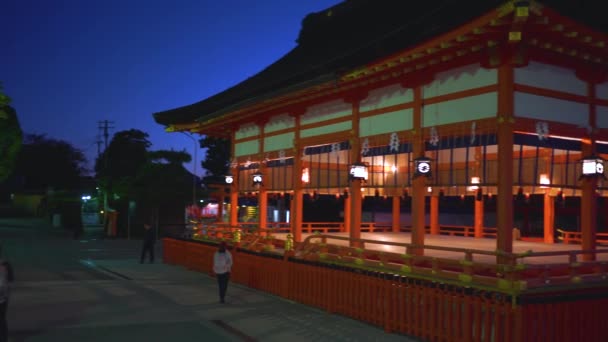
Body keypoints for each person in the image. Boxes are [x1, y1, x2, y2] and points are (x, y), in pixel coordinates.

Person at [0, 245, 14, 342]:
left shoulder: (5, 264)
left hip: (2, 297)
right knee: (2, 320)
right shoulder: (6, 264)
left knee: (1, 320)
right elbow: (10, 279)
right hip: (4, 297)